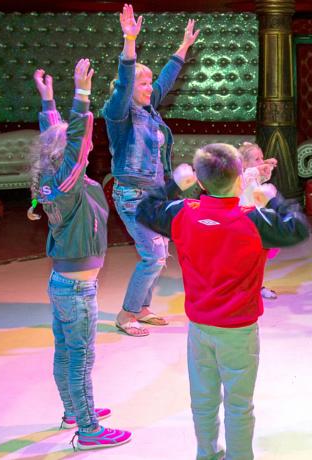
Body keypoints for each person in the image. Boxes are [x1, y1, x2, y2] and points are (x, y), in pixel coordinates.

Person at [136, 144, 310, 459]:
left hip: (200, 328)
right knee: (239, 405)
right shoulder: (254, 220)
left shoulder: (183, 212)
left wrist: (175, 184)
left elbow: (145, 209)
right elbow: (297, 228)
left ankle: (206, 453)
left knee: (203, 401)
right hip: (239, 331)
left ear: (200, 181)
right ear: (240, 178)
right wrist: (273, 199)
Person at [28, 61, 131, 450]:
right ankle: (88, 429)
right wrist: (81, 95)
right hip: (76, 291)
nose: (86, 146)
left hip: (62, 283)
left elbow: (56, 138)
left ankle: (73, 411)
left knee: (66, 353)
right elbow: (73, 139)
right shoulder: (69, 183)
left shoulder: (54, 179)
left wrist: (47, 101)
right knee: (81, 360)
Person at [103, 3, 200, 337]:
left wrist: (184, 46)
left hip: (154, 195)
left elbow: (166, 80)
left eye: (148, 83)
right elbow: (125, 81)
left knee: (158, 253)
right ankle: (126, 313)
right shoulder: (118, 114)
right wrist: (129, 40)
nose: (149, 88)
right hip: (131, 196)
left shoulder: (148, 108)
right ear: (128, 88)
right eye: (142, 84)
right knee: (154, 256)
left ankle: (142, 308)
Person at [237, 142, 280, 299]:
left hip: (257, 222)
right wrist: (260, 167)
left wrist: (267, 164)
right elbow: (248, 175)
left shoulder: (253, 175)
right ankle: (243, 289)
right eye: (257, 159)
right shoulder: (240, 177)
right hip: (242, 225)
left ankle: (256, 287)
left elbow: (260, 175)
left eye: (262, 157)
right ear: (244, 163)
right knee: (245, 260)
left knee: (259, 259)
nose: (261, 161)